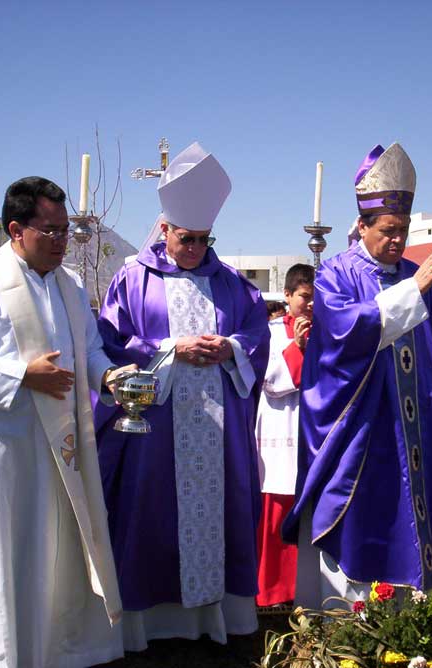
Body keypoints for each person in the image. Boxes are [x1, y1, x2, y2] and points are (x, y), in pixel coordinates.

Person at [0, 176, 129, 667]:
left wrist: (110, 377)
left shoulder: (70, 285)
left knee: (66, 548)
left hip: (66, 444)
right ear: (16, 229)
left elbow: (88, 350)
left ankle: (67, 648)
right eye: (51, 231)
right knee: (14, 550)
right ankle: (11, 654)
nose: (62, 240)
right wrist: (23, 375)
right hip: (11, 445)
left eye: (66, 230)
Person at [282, 143, 432, 606]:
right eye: (388, 230)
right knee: (367, 514)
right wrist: (416, 289)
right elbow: (346, 336)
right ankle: (353, 616)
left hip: (416, 426)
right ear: (363, 226)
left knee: (422, 513)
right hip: (364, 427)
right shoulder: (335, 275)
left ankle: (420, 613)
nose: (397, 240)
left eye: (403, 230)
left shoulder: (417, 274)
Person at [94, 143, 270, 650]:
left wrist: (230, 347)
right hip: (158, 426)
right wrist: (172, 348)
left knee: (220, 512)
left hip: (218, 429)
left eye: (202, 239)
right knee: (150, 512)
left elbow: (256, 336)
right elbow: (110, 345)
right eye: (185, 237)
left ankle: (219, 619)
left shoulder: (233, 283)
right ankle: (149, 623)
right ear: (164, 229)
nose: (194, 248)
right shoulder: (132, 279)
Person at [255, 263, 314, 607]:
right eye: (303, 297)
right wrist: (299, 348)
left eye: (313, 298)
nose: (308, 304)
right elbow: (271, 380)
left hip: (312, 435)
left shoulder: (326, 330)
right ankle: (274, 591)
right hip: (280, 433)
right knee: (277, 516)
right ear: (288, 295)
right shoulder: (272, 332)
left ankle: (307, 592)